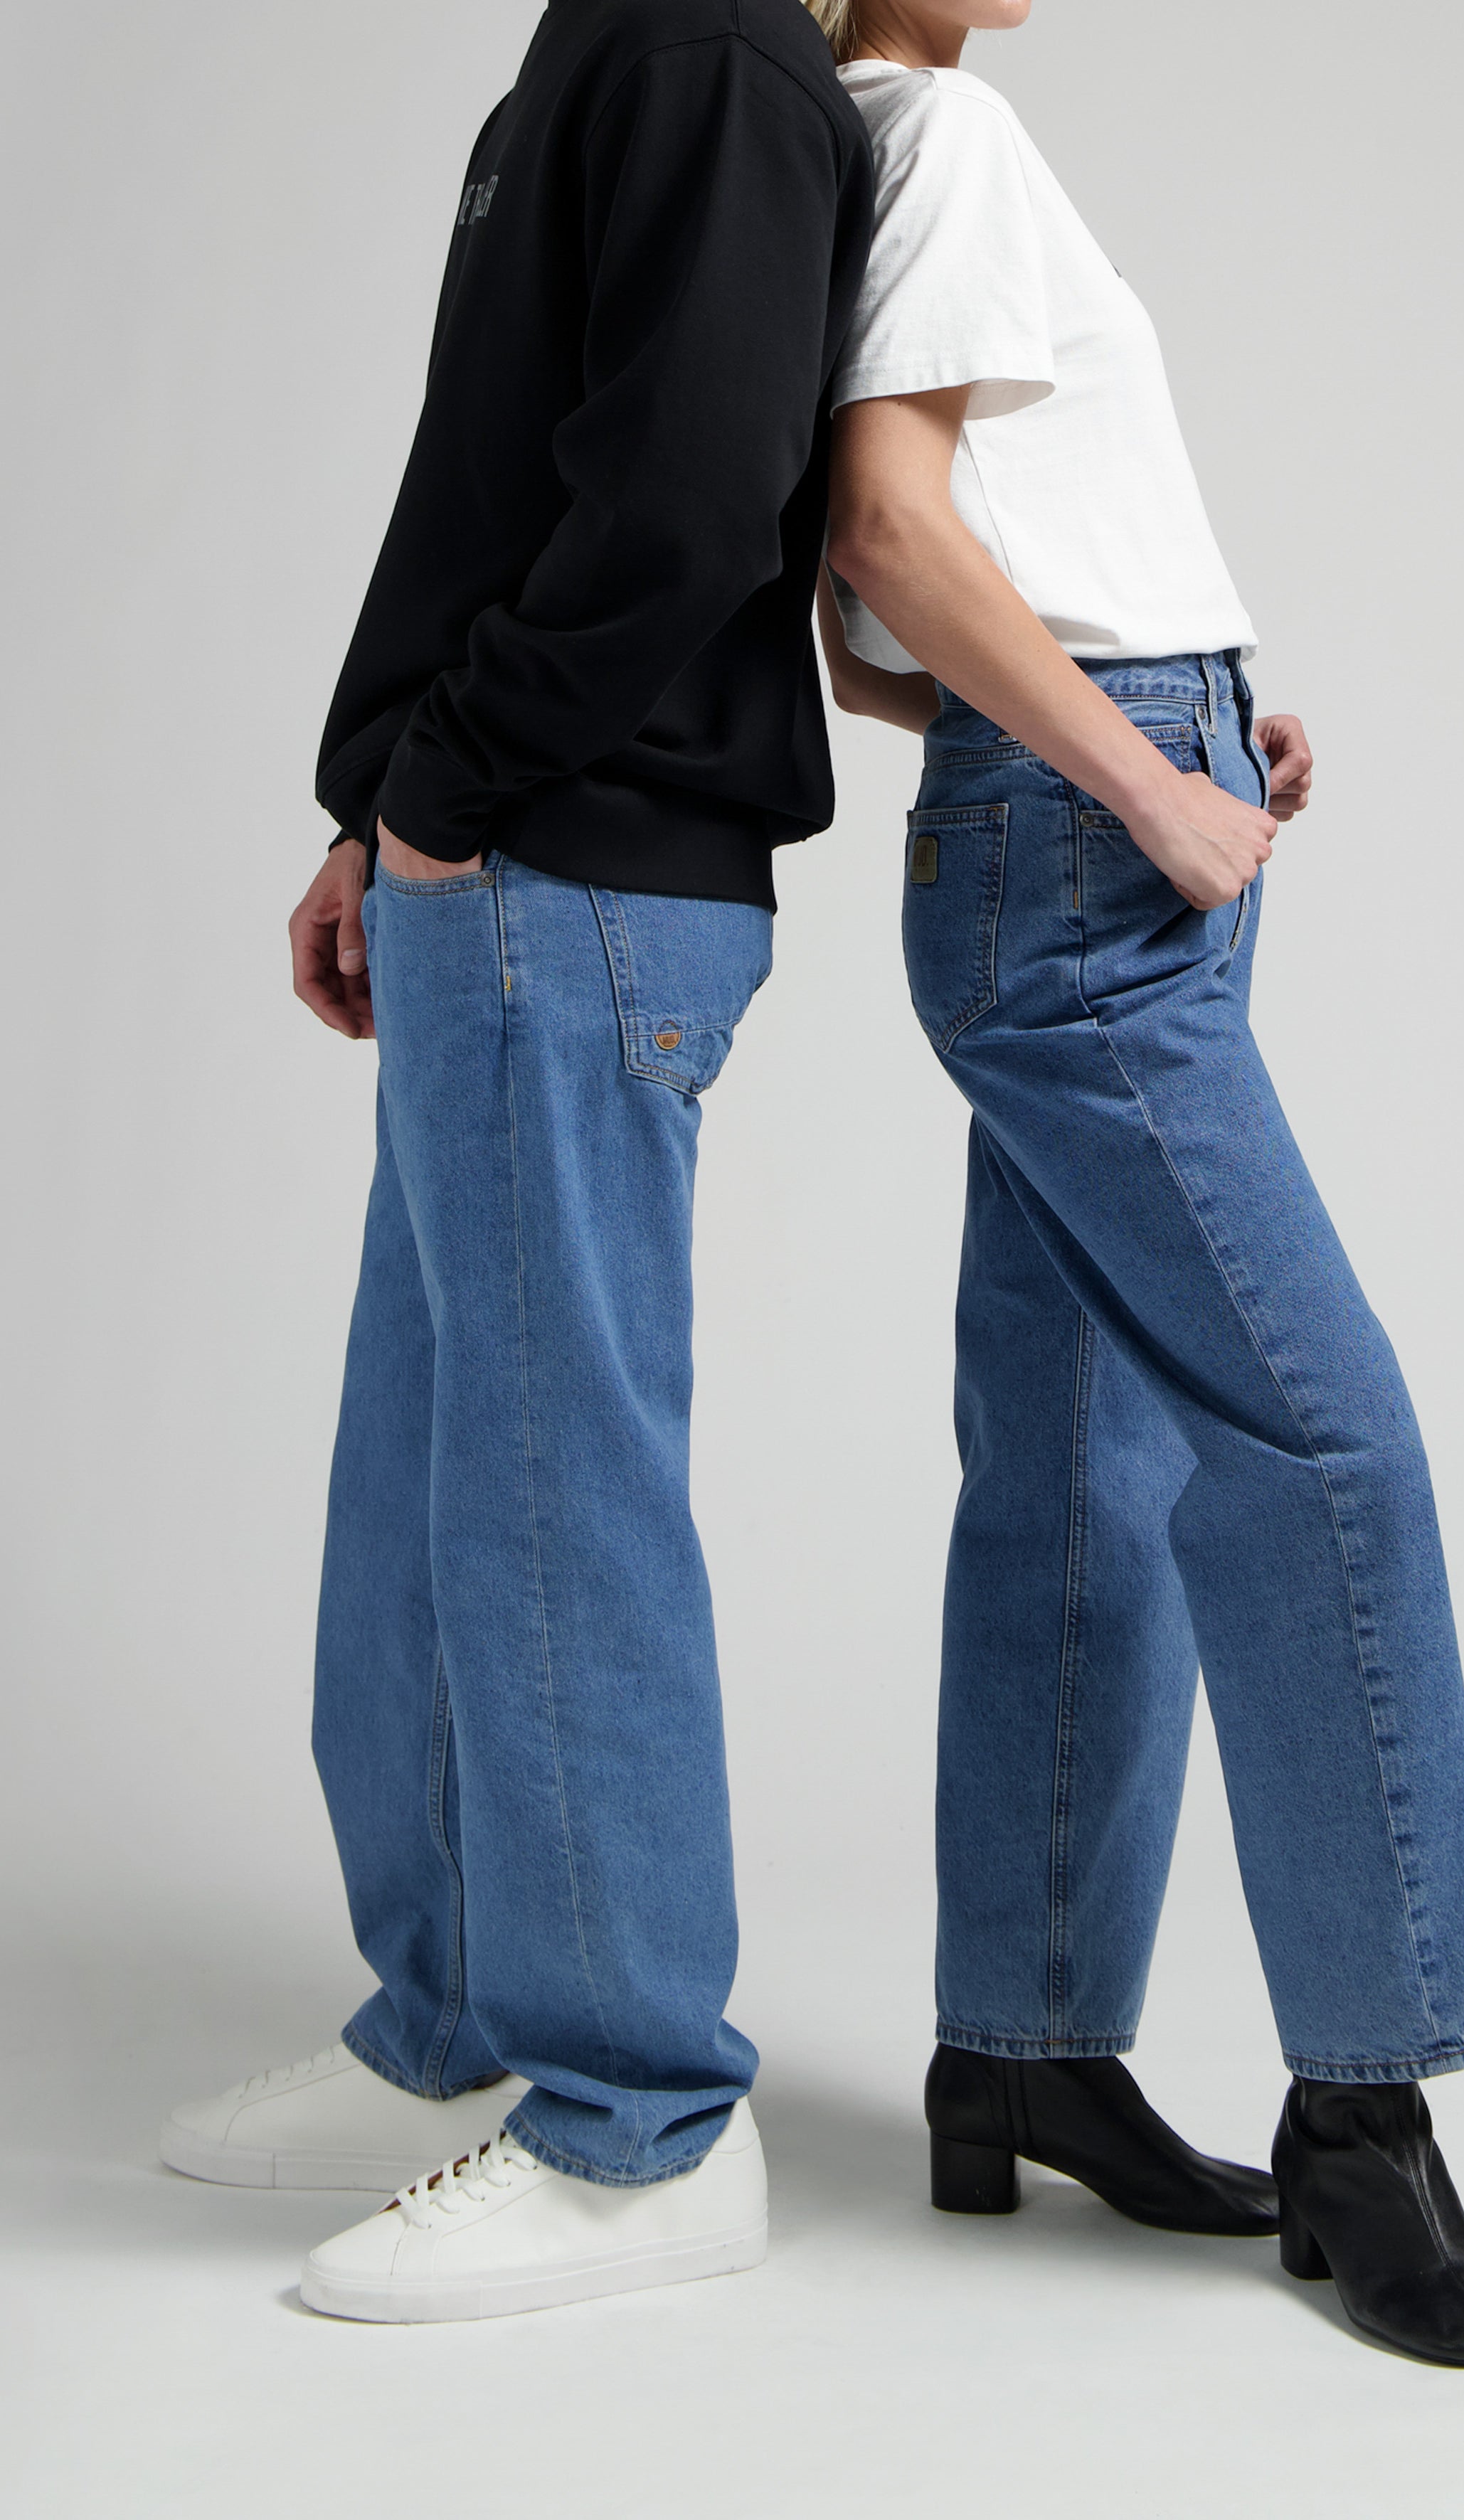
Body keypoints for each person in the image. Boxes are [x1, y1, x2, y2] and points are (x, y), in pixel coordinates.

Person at [812, 0, 1464, 2368]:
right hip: (1096, 896)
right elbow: (885, 533)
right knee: (1324, 1446)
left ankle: (1016, 2037)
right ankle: (1368, 2109)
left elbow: (883, 628)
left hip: (1082, 849)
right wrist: (1150, 776)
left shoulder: (854, 140)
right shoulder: (941, 124)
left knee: (1079, 1465)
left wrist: (1190, 713)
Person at [159, 0, 874, 2325]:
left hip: (572, 873)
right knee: (436, 1472)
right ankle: (452, 2024)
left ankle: (647, 2124)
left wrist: (449, 791)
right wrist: (382, 816)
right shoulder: (608, 44)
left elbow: (687, 493)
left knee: (554, 1488)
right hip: (492, 862)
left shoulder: (715, 60)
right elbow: (516, 483)